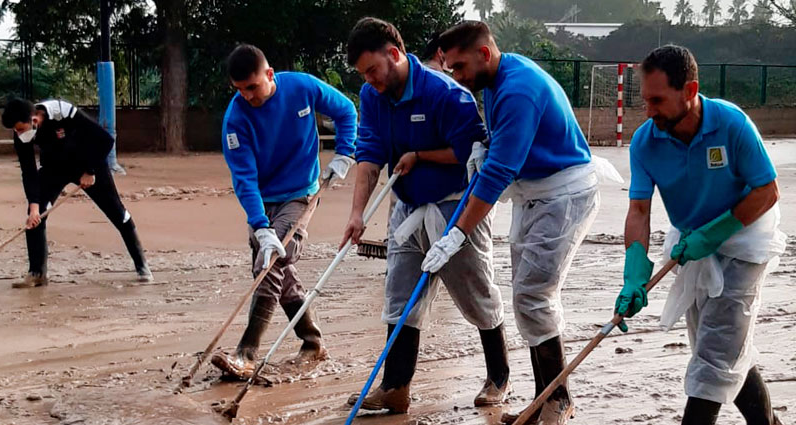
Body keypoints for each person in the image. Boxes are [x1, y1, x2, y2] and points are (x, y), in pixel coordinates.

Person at [434, 21, 602, 424]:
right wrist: (484, 147)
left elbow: (497, 175)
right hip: (534, 192)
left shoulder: (517, 88)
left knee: (533, 294)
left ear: (484, 54)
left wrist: (457, 232)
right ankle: (545, 398)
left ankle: (558, 400)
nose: (456, 77)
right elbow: (500, 149)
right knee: (526, 294)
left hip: (564, 193)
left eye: (458, 67)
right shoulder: (494, 81)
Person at [340, 17, 510, 413]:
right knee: (400, 296)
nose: (369, 81)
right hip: (407, 206)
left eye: (372, 70)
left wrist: (420, 155)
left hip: (456, 205)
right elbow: (368, 155)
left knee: (476, 291)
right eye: (363, 75)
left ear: (394, 55)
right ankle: (396, 387)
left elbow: (471, 153)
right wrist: (356, 213)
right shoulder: (372, 96)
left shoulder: (447, 94)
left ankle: (498, 375)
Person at [613, 45, 785, 425]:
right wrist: (634, 269)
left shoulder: (732, 124)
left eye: (658, 100)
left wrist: (717, 232)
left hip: (745, 238)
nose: (649, 111)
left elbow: (768, 191)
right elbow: (639, 209)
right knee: (721, 345)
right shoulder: (645, 141)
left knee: (714, 354)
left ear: (690, 91)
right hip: (690, 239)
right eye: (645, 100)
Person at [210, 44, 358, 380]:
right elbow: (243, 179)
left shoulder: (302, 86)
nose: (247, 96)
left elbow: (347, 111)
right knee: (278, 271)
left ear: (269, 75)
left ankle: (246, 354)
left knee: (272, 263)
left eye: (253, 87)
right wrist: (260, 227)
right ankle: (313, 341)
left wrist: (344, 152)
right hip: (261, 200)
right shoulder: (236, 119)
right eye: (239, 90)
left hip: (300, 194)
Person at [1, 98, 152, 288]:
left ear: (35, 120)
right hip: (54, 168)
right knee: (35, 217)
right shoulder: (22, 135)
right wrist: (33, 205)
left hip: (88, 163)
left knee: (116, 212)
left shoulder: (63, 112)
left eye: (20, 128)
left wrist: (90, 171)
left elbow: (105, 141)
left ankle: (142, 266)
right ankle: (37, 273)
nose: (18, 133)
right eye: (15, 130)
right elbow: (28, 171)